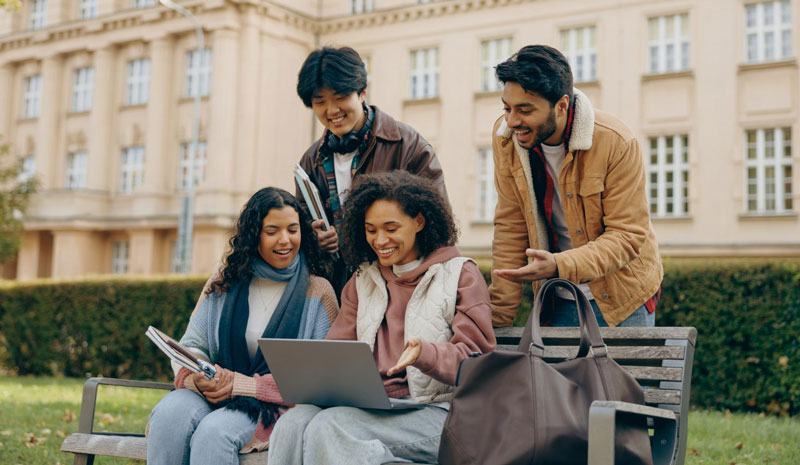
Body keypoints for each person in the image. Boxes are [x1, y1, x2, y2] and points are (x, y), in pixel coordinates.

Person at [267, 172, 496, 465]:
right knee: (292, 423)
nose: (380, 240)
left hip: (441, 414)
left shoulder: (460, 274)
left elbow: (479, 363)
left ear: (419, 222)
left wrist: (426, 353)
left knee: (331, 427)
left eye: (391, 228)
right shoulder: (363, 281)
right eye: (371, 230)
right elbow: (338, 351)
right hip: (377, 407)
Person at [147, 187, 339, 465]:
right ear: (254, 235)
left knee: (215, 433)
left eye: (292, 230)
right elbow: (193, 343)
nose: (285, 240)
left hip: (276, 405)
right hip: (213, 389)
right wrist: (200, 375)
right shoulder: (224, 281)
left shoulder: (318, 291)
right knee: (169, 416)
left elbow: (320, 377)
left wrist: (243, 385)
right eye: (272, 231)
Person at [489, 45, 663, 328]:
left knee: (620, 375)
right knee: (556, 375)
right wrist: (498, 318)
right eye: (507, 108)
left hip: (622, 301)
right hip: (556, 298)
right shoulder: (506, 138)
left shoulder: (615, 141)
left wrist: (559, 265)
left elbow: (627, 235)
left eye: (524, 110)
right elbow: (511, 224)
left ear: (561, 105)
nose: (512, 121)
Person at [295, 46, 449, 296]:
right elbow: (299, 231)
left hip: (398, 289)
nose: (332, 110)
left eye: (340, 97)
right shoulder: (310, 160)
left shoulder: (408, 145)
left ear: (362, 92)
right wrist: (313, 239)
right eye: (320, 102)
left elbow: (439, 228)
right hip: (336, 293)